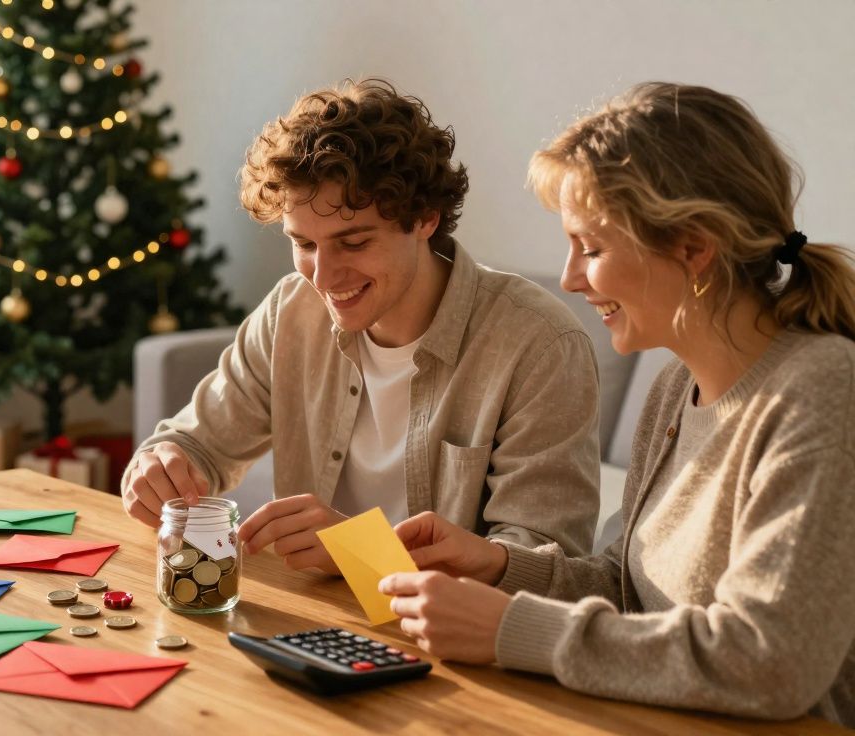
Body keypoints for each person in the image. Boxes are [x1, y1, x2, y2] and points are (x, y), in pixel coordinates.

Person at [380, 82, 855, 725]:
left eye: (592, 248)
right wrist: (496, 566)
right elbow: (629, 591)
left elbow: (770, 661)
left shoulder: (823, 390)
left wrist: (512, 630)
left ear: (693, 247)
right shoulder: (671, 392)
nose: (572, 278)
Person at [122, 78, 601, 571]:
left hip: (449, 640)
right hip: (313, 618)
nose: (324, 277)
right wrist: (158, 466)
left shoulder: (538, 344)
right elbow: (195, 442)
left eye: (353, 243)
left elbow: (545, 568)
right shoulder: (291, 310)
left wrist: (362, 552)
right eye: (304, 245)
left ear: (425, 219)